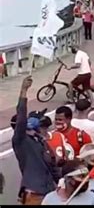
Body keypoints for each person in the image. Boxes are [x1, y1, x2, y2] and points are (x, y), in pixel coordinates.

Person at [12, 76, 60, 205]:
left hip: (51, 193)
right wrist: (23, 91)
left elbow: (54, 168)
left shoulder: (42, 142)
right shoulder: (21, 140)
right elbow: (21, 117)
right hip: (35, 196)